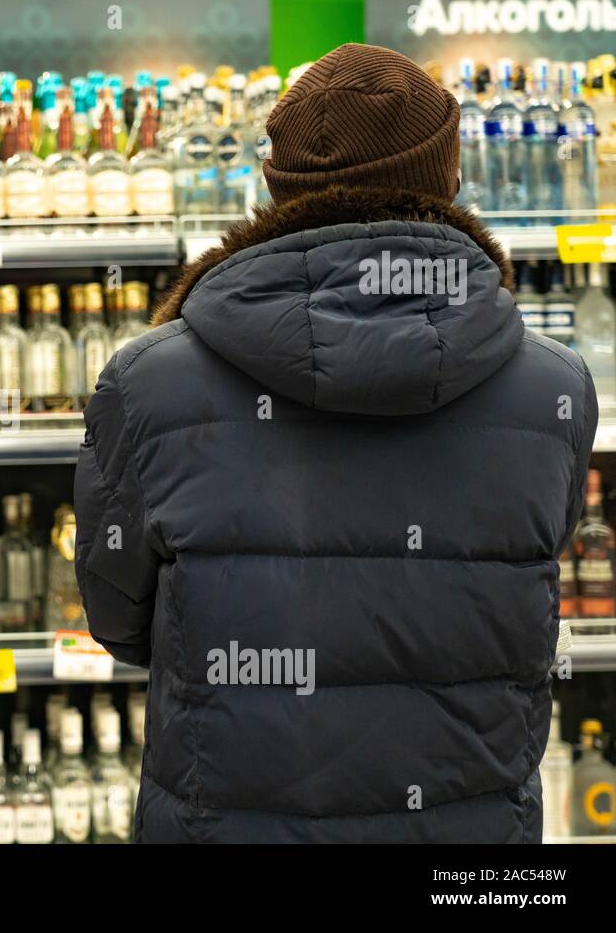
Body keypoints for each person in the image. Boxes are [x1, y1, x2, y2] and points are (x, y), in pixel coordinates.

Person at [74, 43, 596, 843]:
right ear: (450, 176)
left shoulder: (148, 383)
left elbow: (122, 621)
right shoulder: (551, 388)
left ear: (274, 185)